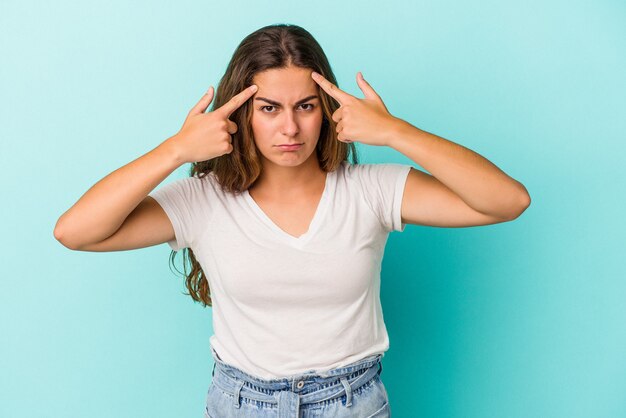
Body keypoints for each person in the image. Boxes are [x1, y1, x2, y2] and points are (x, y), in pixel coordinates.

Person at [54, 23, 531, 418]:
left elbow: (507, 201)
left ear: (326, 110)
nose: (290, 128)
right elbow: (74, 232)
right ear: (240, 113)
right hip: (241, 403)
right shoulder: (203, 201)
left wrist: (395, 131)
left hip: (352, 404)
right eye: (269, 108)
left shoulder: (370, 189)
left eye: (305, 106)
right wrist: (175, 150)